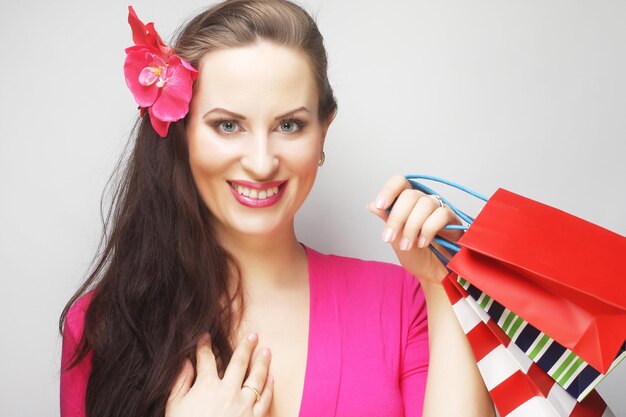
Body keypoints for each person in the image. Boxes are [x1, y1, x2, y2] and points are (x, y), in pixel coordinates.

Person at [59, 1, 494, 416]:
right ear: (182, 132)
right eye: (227, 125)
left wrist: (443, 283)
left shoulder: (407, 303)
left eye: (289, 125)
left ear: (323, 132)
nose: (262, 162)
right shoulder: (103, 326)